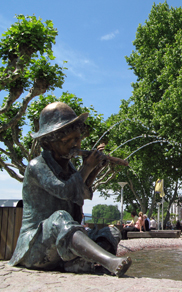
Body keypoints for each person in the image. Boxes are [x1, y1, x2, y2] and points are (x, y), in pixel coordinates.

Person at [8, 102, 131, 277]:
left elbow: (84, 194)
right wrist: (87, 167)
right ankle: (110, 262)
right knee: (60, 217)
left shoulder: (70, 167)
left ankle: (81, 262)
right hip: (36, 246)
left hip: (62, 241)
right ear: (49, 142)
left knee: (110, 232)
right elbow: (64, 191)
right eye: (69, 140)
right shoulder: (37, 166)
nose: (77, 144)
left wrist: (94, 170)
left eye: (78, 138)